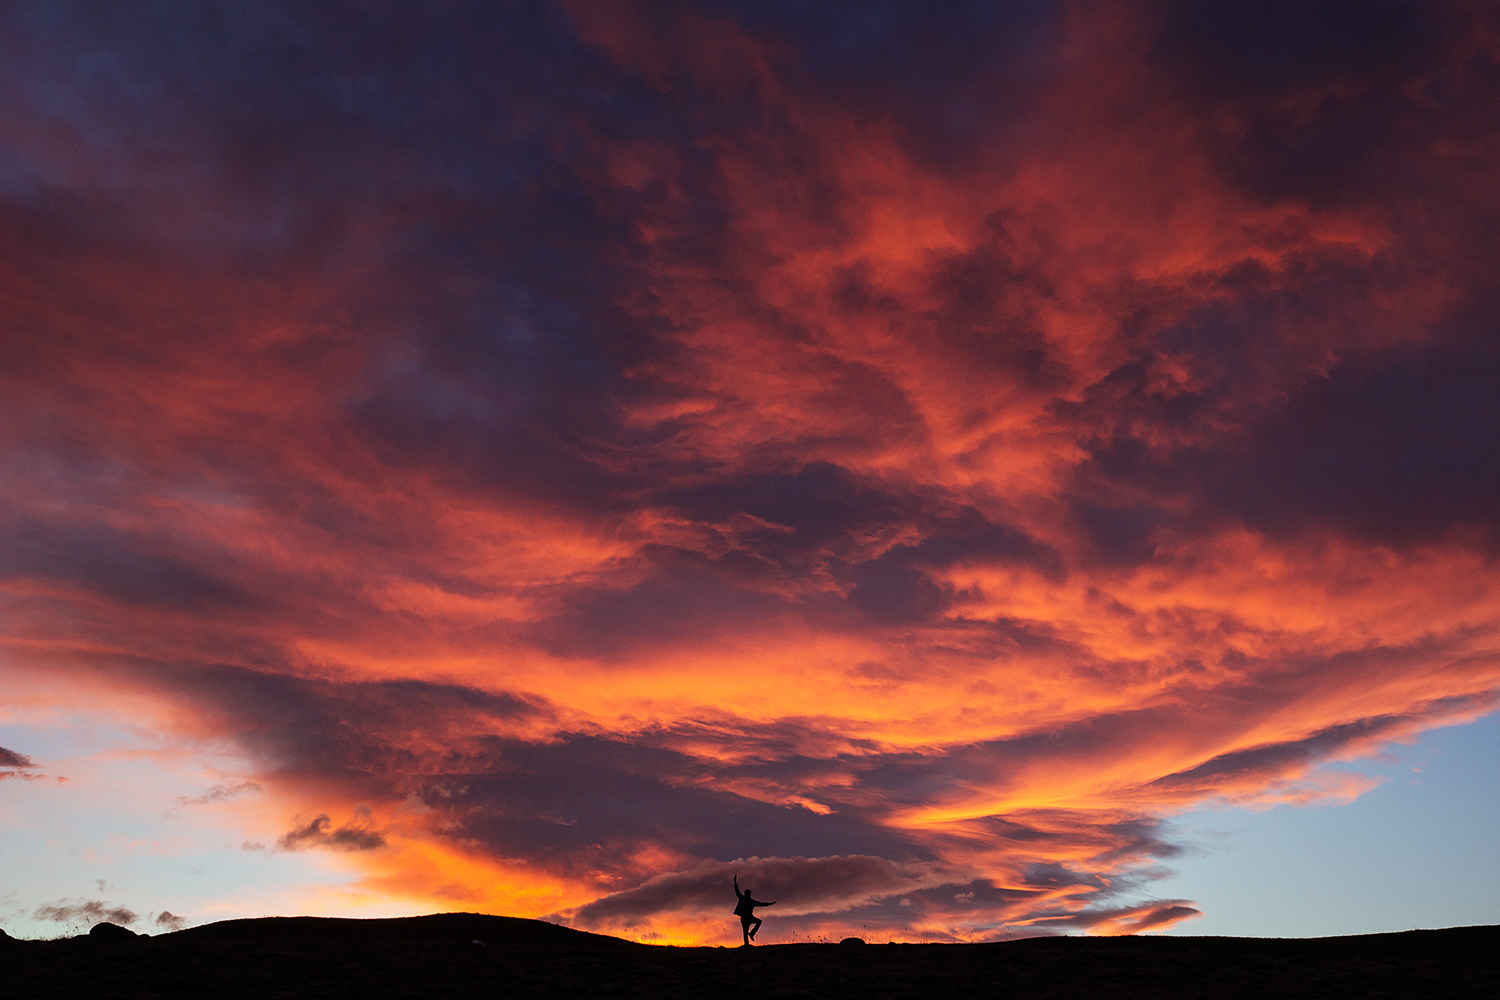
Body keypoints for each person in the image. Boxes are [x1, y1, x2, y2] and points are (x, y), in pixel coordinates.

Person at [732, 874, 775, 946]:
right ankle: (746, 945)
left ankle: (752, 933)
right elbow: (737, 891)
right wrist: (735, 883)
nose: (748, 895)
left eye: (749, 893)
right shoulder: (741, 898)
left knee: (759, 922)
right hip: (744, 918)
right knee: (745, 932)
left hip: (750, 917)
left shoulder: (752, 902)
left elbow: (761, 904)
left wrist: (769, 904)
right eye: (747, 893)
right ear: (745, 894)